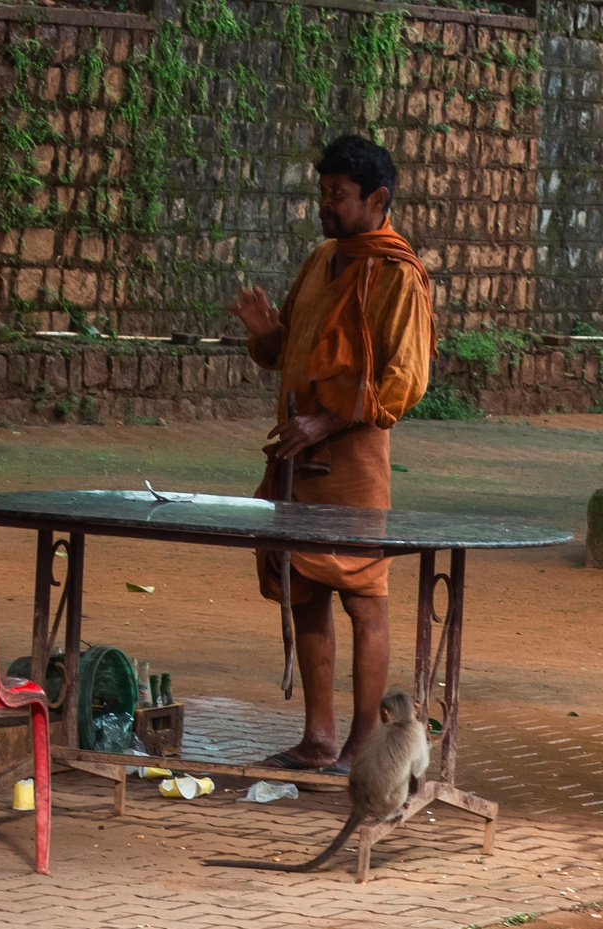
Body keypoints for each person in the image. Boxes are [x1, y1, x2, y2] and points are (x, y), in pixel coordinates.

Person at [229, 134, 434, 771]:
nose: (326, 206)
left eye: (338, 196)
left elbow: (406, 381)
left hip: (352, 465)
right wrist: (267, 338)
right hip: (297, 457)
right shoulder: (322, 259)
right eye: (322, 194)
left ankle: (361, 743)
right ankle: (318, 737)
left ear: (377, 199)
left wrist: (324, 422)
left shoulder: (400, 276)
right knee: (304, 591)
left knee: (364, 597)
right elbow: (293, 351)